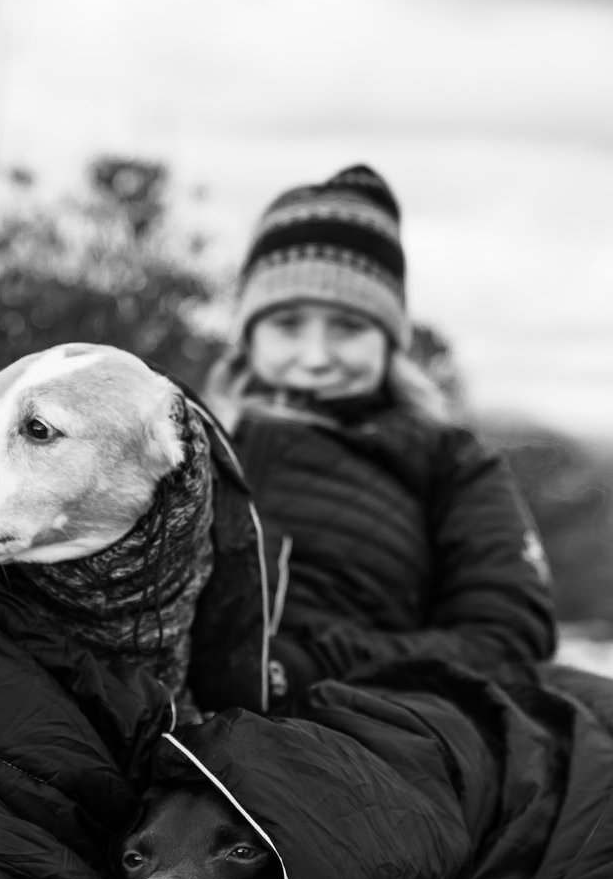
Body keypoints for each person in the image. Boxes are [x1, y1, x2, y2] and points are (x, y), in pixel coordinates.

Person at [204, 164, 555, 712]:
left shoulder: (452, 462)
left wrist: (304, 668)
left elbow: (504, 637)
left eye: (348, 326)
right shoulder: (188, 437)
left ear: (389, 341)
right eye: (288, 324)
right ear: (248, 336)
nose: (315, 357)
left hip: (360, 729)